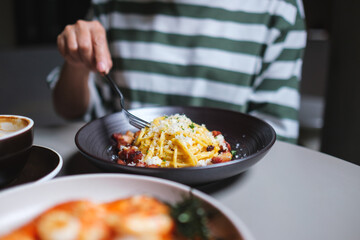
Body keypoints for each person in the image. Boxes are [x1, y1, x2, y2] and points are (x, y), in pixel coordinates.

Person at [48, 0, 306, 144]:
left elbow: (276, 138)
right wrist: (77, 64)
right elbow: (73, 111)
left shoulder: (278, 9)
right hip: (117, 180)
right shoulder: (109, 5)